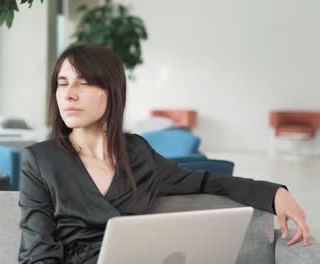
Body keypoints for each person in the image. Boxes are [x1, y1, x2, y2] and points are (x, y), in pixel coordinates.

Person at [18, 43, 310, 264]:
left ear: (112, 92)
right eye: (62, 83)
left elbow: (205, 180)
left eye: (83, 83)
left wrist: (273, 193)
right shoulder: (40, 160)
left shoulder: (137, 152)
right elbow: (37, 253)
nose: (68, 94)